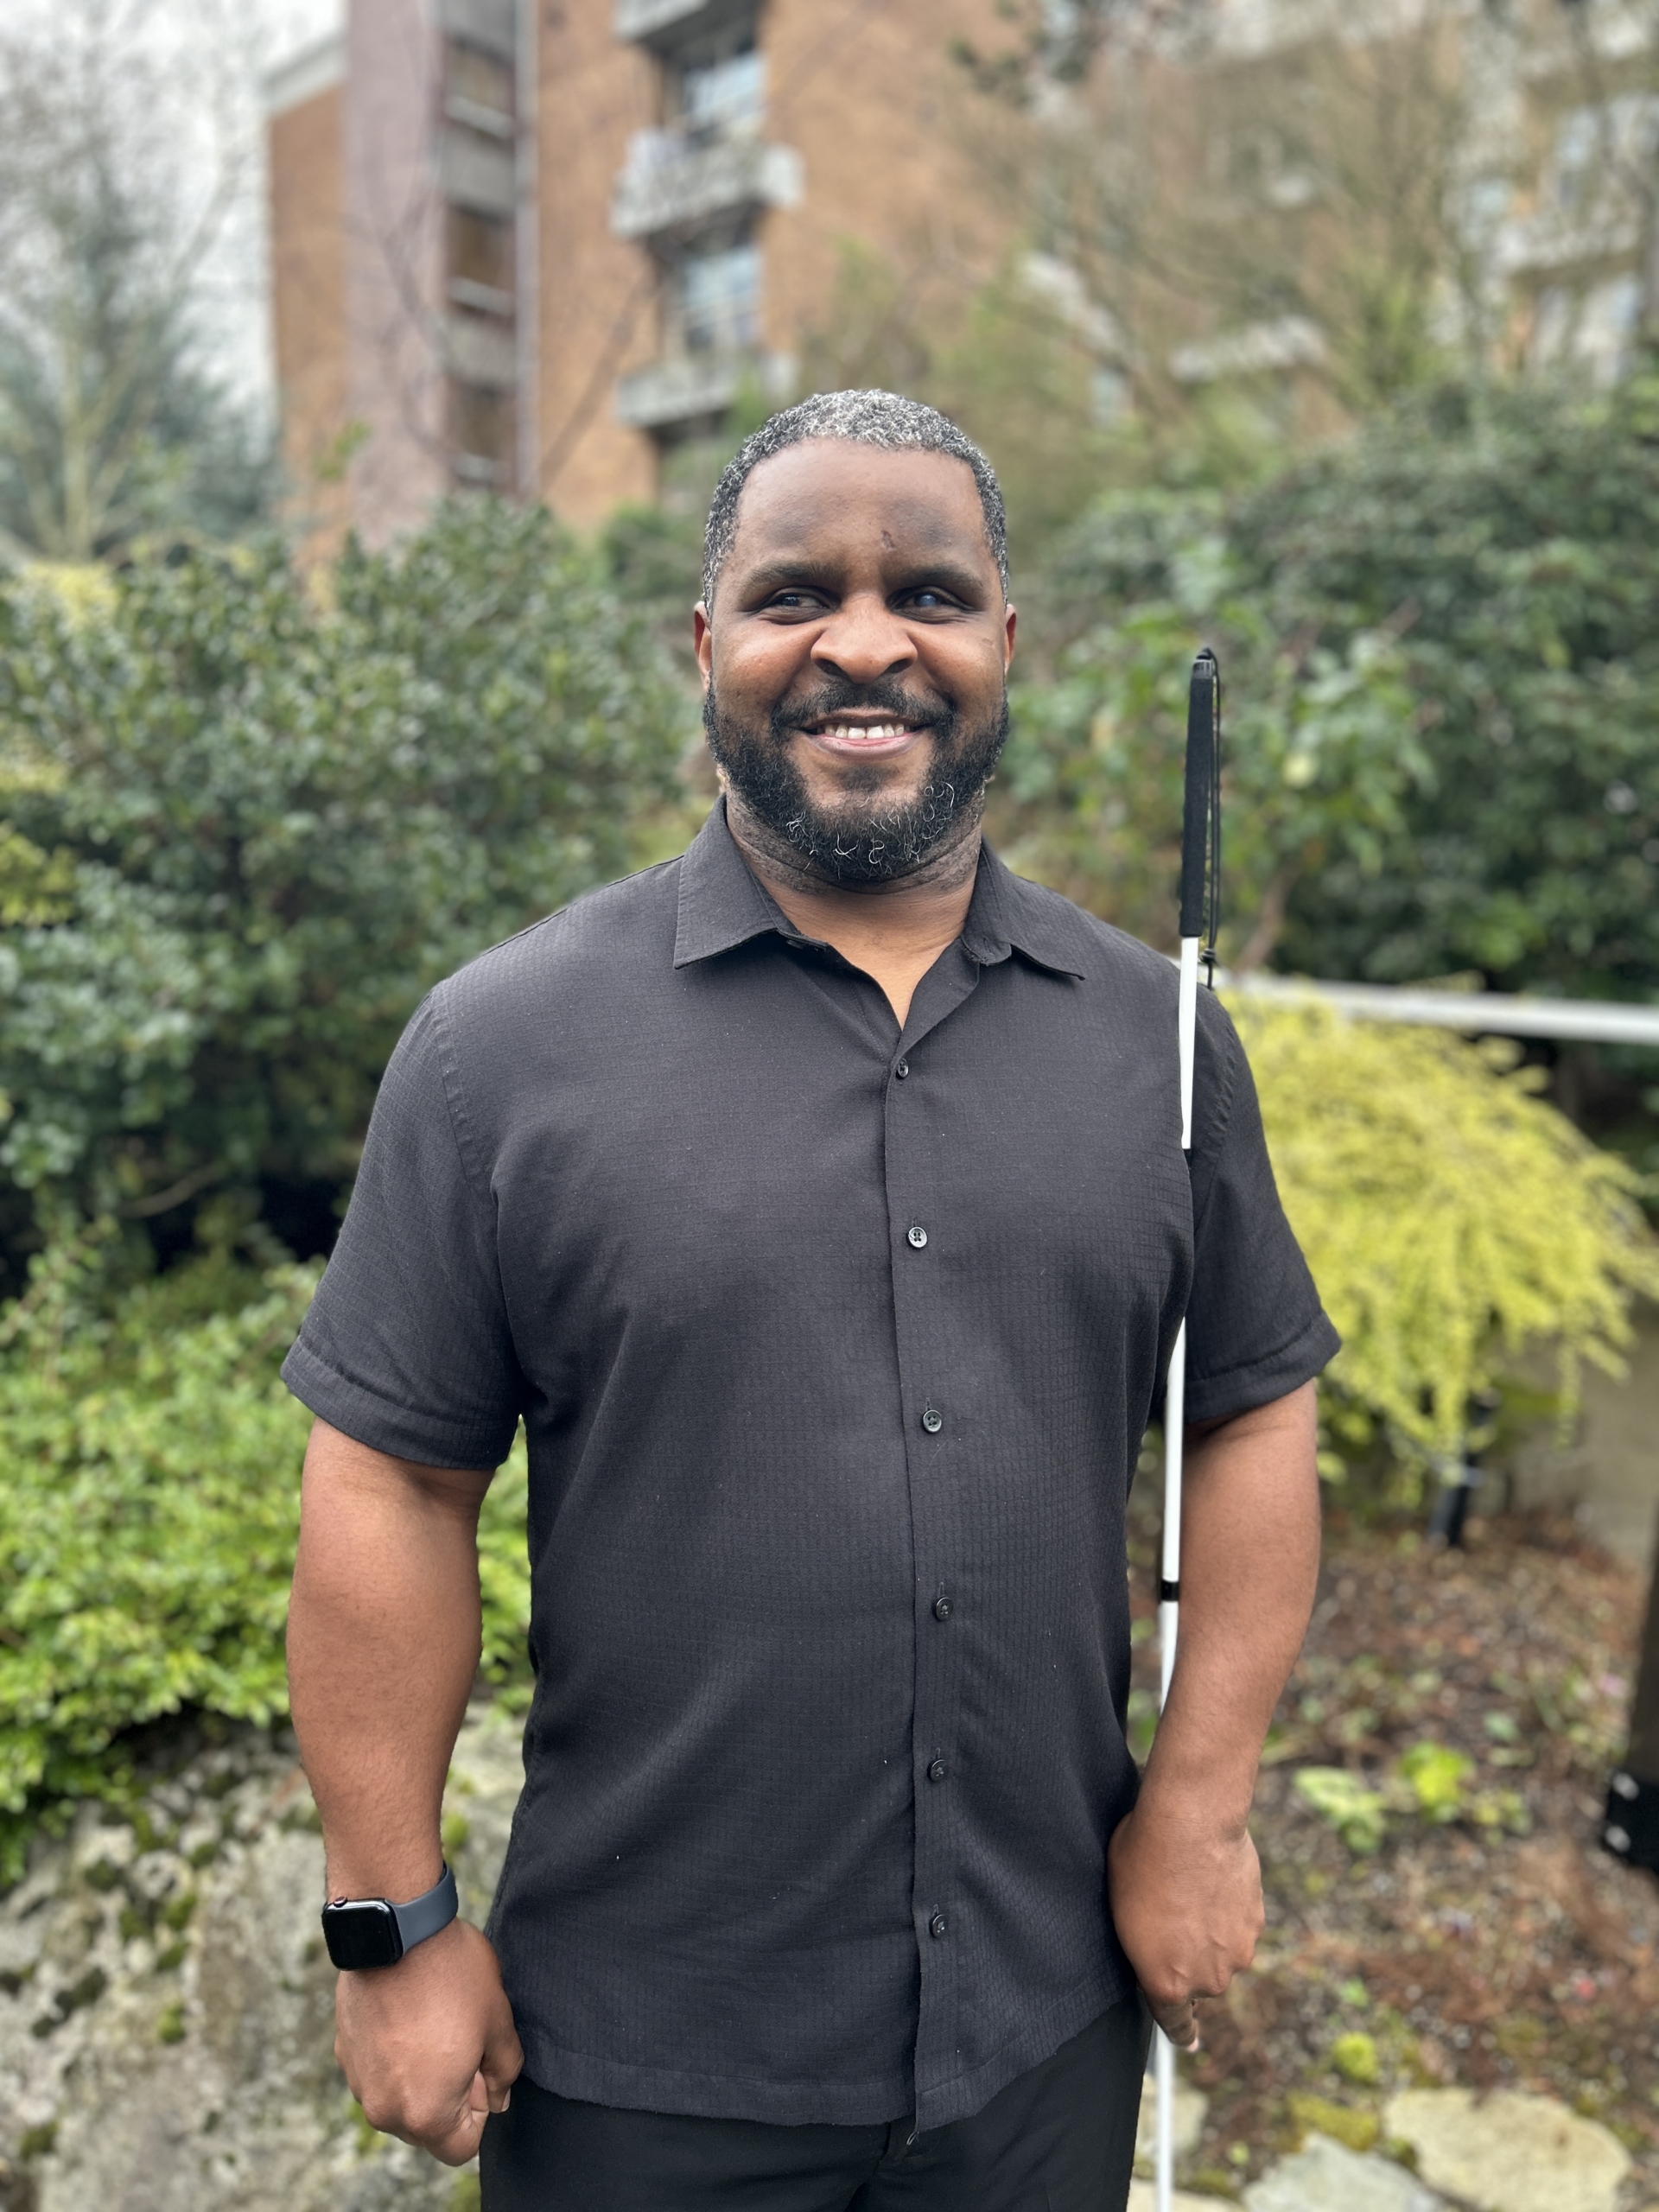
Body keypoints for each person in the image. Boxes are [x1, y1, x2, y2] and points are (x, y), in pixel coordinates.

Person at [283, 390, 1334, 2212]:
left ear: (1006, 641)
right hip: (635, 2059)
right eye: (794, 594)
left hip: (1041, 2028)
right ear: (710, 645)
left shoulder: (1158, 1048)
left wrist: (1202, 1798)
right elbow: (388, 1486)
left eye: (927, 589)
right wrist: (391, 1920)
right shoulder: (500, 1053)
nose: (864, 641)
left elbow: (1248, 1409)